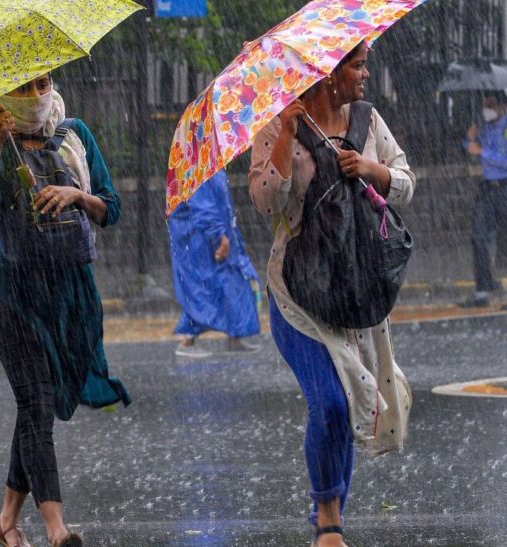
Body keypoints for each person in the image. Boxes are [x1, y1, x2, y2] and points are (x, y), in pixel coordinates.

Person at [249, 43, 414, 547]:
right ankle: (327, 520)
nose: (364, 74)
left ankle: (332, 511)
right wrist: (286, 140)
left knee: (349, 401)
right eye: (357, 66)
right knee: (332, 405)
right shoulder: (279, 125)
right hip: (297, 297)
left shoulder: (366, 120)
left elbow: (406, 183)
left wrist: (369, 170)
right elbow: (263, 201)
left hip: (354, 291)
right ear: (326, 74)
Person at [0, 73, 130, 547]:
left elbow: (111, 208)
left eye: (44, 84)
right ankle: (56, 526)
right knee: (34, 398)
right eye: (23, 88)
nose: (36, 96)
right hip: (10, 288)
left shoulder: (75, 135)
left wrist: (75, 195)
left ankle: (7, 519)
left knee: (38, 403)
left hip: (68, 288)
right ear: (1, 95)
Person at [168, 170, 261, 358]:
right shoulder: (197, 166)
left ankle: (235, 335)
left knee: (232, 283)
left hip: (217, 236)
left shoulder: (210, 165)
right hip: (203, 241)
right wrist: (218, 235)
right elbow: (202, 207)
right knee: (205, 289)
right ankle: (188, 339)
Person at [460, 91, 507, 308]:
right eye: (485, 105)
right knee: (478, 237)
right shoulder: (486, 127)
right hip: (487, 189)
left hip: (504, 187)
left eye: (491, 105)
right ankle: (482, 291)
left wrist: (483, 152)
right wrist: (470, 139)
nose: (487, 110)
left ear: (501, 106)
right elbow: (468, 147)